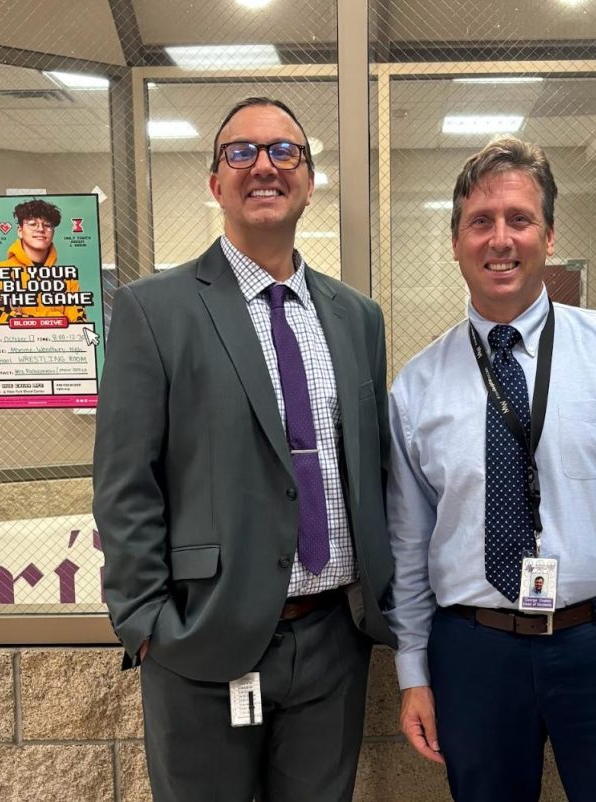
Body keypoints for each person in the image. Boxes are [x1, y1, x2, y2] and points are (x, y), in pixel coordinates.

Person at [385, 137, 596, 802]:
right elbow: (407, 544)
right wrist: (413, 671)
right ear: (455, 240)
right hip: (474, 654)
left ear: (549, 233)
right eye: (480, 222)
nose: (500, 239)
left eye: (519, 219)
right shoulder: (417, 386)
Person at [93, 97, 396, 802]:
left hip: (332, 643)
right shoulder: (154, 310)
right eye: (241, 152)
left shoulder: (357, 318)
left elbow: (370, 469)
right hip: (204, 639)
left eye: (284, 151)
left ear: (309, 180)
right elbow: (124, 482)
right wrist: (146, 625)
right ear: (215, 182)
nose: (264, 165)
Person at [0, 198, 87, 324]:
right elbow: (6, 319)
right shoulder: (1, 272)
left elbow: (80, 321)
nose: (40, 229)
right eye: (32, 224)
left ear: (53, 233)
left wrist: (26, 316)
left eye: (47, 225)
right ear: (20, 231)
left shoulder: (67, 278)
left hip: (59, 344)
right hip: (18, 343)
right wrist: (59, 317)